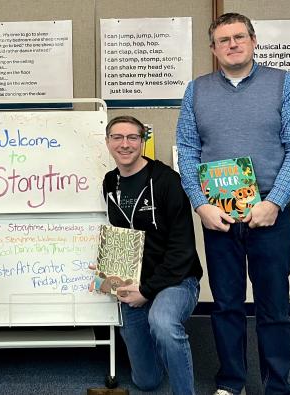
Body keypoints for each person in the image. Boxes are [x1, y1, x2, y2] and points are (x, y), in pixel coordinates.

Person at [176, 13, 290, 395]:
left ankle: (277, 386)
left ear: (253, 41)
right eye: (223, 40)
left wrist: (276, 202)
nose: (232, 44)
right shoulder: (196, 90)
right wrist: (201, 204)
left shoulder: (284, 84)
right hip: (218, 215)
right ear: (213, 49)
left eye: (239, 37)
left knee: (273, 306)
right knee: (227, 304)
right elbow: (187, 150)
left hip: (268, 212)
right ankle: (231, 381)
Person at [98, 115, 203, 395]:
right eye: (117, 137)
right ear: (107, 142)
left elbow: (182, 250)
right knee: (146, 381)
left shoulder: (168, 181)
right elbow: (120, 238)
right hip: (135, 283)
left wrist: (148, 290)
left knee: (163, 323)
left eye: (132, 137)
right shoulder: (110, 183)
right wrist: (112, 277)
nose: (125, 144)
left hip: (176, 280)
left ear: (143, 141)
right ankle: (158, 343)